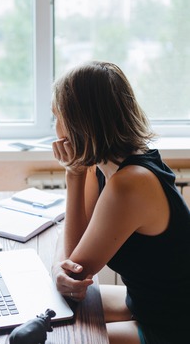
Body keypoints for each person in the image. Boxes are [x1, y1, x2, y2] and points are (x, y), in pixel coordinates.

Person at [51, 61, 190, 344]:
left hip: (169, 327)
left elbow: (74, 274)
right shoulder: (108, 166)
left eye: (57, 116)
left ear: (80, 122)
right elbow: (74, 261)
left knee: (61, 338)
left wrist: (73, 175)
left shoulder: (130, 184)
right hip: (143, 302)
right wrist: (76, 171)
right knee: (46, 310)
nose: (55, 127)